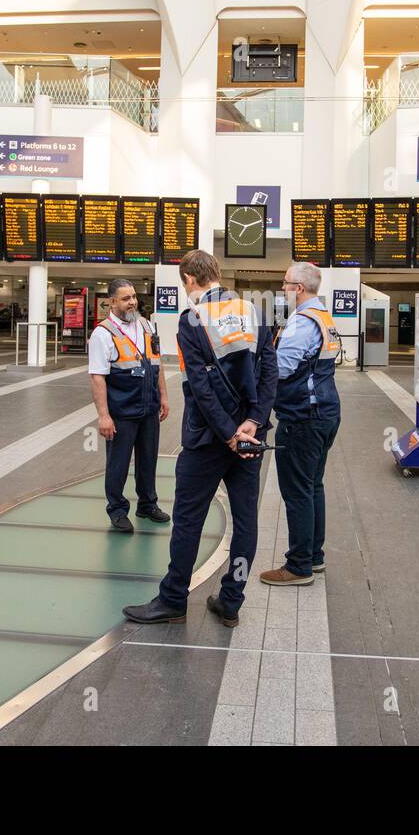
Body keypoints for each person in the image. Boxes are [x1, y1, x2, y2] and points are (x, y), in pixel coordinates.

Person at [123, 250, 277, 628]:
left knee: (189, 520)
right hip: (250, 440)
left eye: (184, 283)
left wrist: (227, 433)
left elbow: (203, 387)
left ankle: (174, 599)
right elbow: (270, 371)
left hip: (208, 439)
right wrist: (253, 422)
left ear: (191, 280)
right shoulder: (255, 312)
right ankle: (231, 600)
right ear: (218, 274)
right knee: (245, 523)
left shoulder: (191, 320)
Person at [260, 261, 342, 587]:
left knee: (296, 492)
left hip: (302, 417)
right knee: (312, 486)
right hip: (326, 412)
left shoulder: (301, 322)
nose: (282, 289)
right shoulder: (324, 317)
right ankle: (314, 557)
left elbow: (280, 369)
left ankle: (298, 566)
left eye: (285, 283)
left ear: (300, 289)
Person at [88, 279, 171, 532]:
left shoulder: (146, 325)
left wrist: (164, 397)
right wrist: (104, 416)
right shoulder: (103, 334)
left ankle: (147, 504)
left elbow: (157, 364)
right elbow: (97, 377)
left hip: (148, 409)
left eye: (133, 297)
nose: (133, 302)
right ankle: (117, 510)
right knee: (119, 464)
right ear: (112, 302)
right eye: (126, 298)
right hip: (122, 413)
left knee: (148, 460)